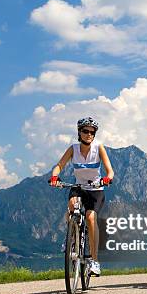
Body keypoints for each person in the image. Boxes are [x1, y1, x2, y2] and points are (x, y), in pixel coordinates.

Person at [49, 117, 114, 276]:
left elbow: (110, 170)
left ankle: (94, 260)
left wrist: (108, 178)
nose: (89, 134)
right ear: (79, 132)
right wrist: (54, 177)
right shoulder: (73, 149)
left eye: (92, 132)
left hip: (95, 189)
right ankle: (71, 237)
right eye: (86, 131)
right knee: (72, 205)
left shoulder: (99, 148)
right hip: (78, 187)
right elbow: (59, 165)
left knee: (91, 217)